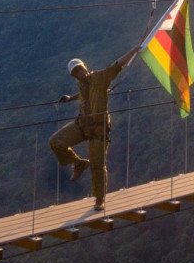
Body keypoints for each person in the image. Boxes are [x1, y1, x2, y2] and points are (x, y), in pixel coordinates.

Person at [49, 46, 141, 211]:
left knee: (97, 165)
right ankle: (78, 163)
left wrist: (133, 51)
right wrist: (70, 98)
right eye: (76, 73)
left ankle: (99, 199)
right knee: (56, 141)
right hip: (82, 126)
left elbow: (117, 65)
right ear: (74, 75)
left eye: (80, 70)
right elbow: (84, 95)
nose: (80, 73)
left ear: (85, 67)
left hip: (98, 130)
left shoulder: (100, 77)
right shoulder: (81, 85)